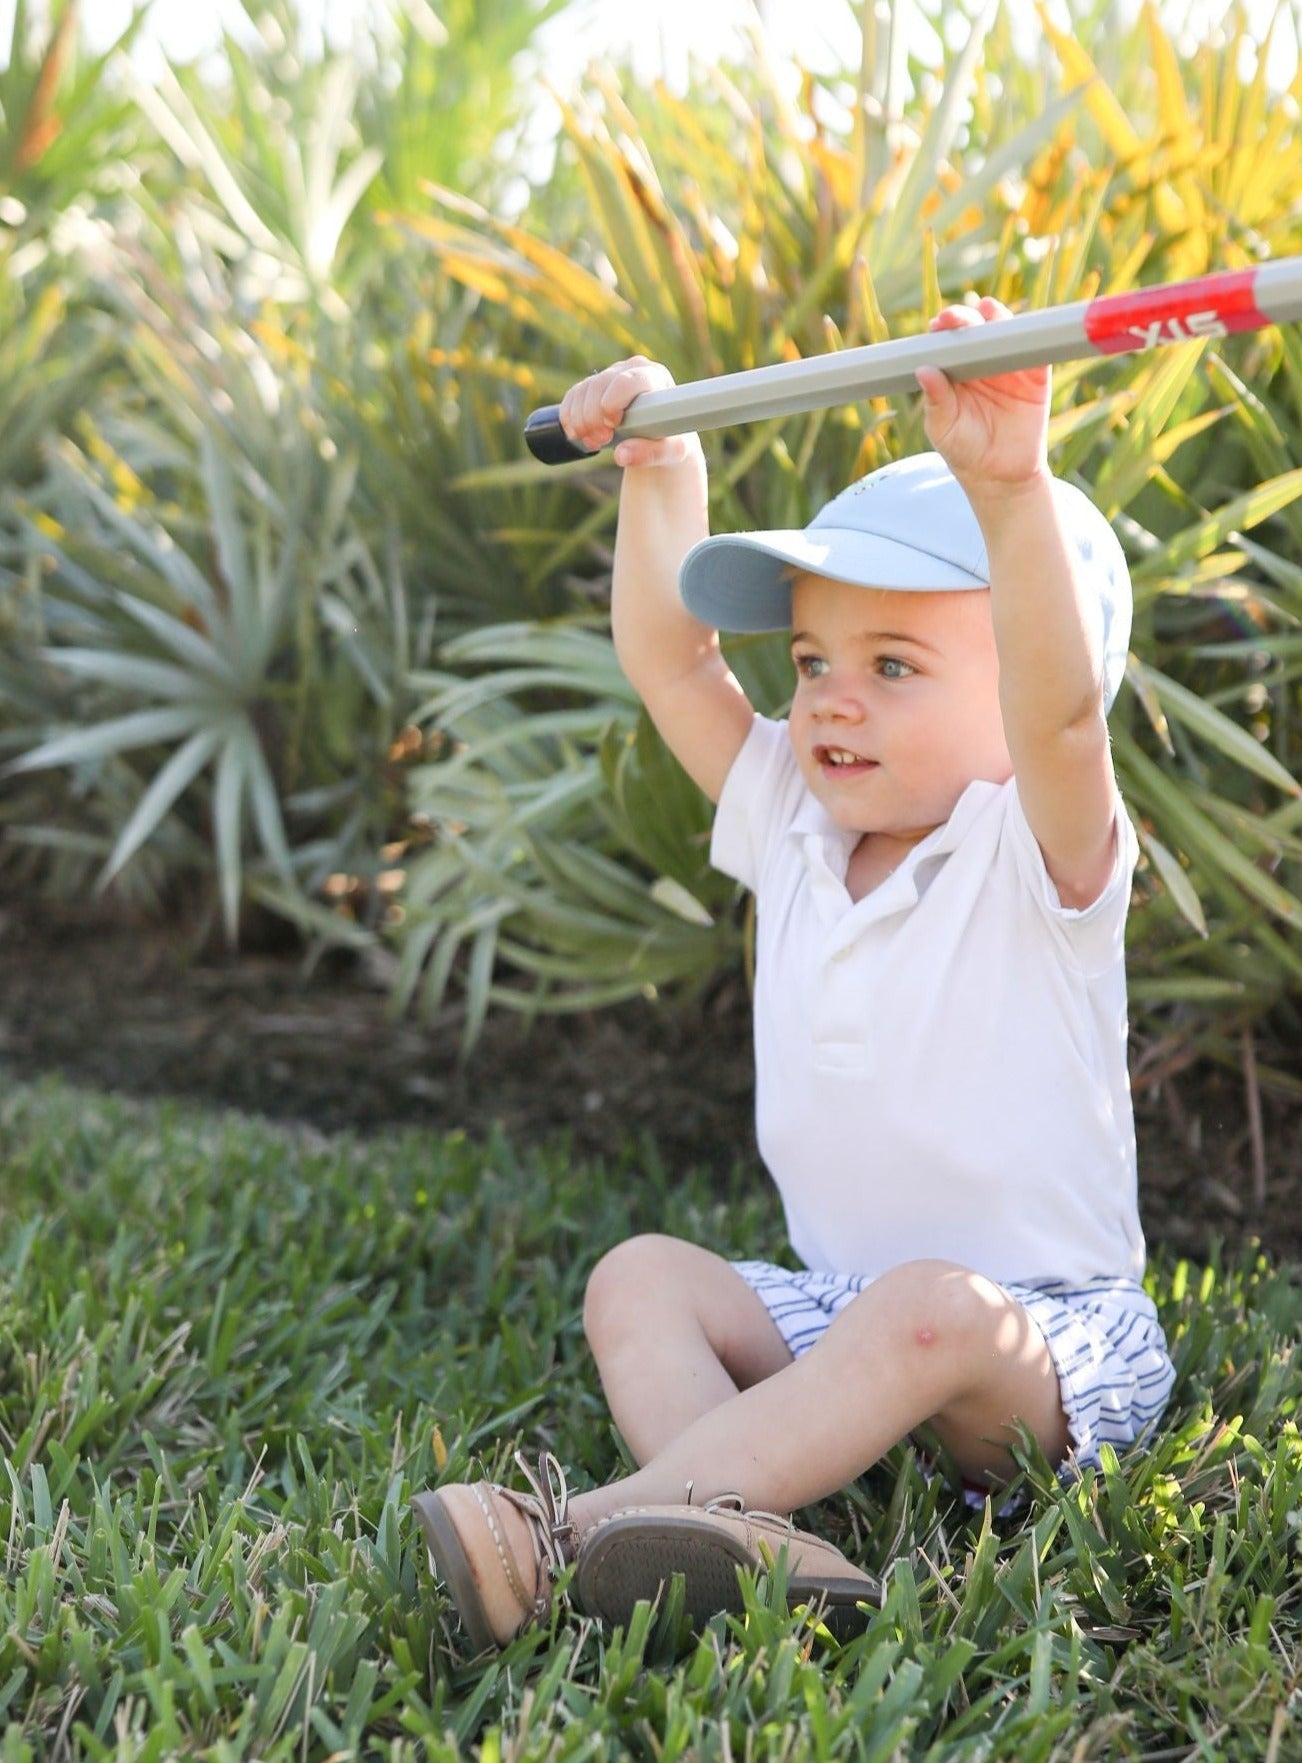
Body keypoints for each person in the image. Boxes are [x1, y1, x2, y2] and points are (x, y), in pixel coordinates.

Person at [413, 297, 1175, 1653]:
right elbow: (672, 658)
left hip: (1032, 1345)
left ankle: (574, 1534)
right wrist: (664, 469)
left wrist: (1008, 490)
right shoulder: (799, 822)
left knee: (930, 1310)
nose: (828, 699)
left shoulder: (1035, 849)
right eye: (817, 659)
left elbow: (1057, 715)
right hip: (839, 1312)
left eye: (893, 665)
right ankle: (743, 1527)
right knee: (637, 1277)